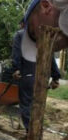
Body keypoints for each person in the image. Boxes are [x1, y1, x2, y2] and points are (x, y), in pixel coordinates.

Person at [12, 0, 68, 133]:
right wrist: (56, 76)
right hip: (41, 77)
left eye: (31, 27)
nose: (37, 45)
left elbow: (16, 54)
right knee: (37, 105)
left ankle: (30, 131)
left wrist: (16, 69)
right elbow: (49, 57)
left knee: (26, 105)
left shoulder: (19, 36)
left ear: (46, 6)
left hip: (27, 76)